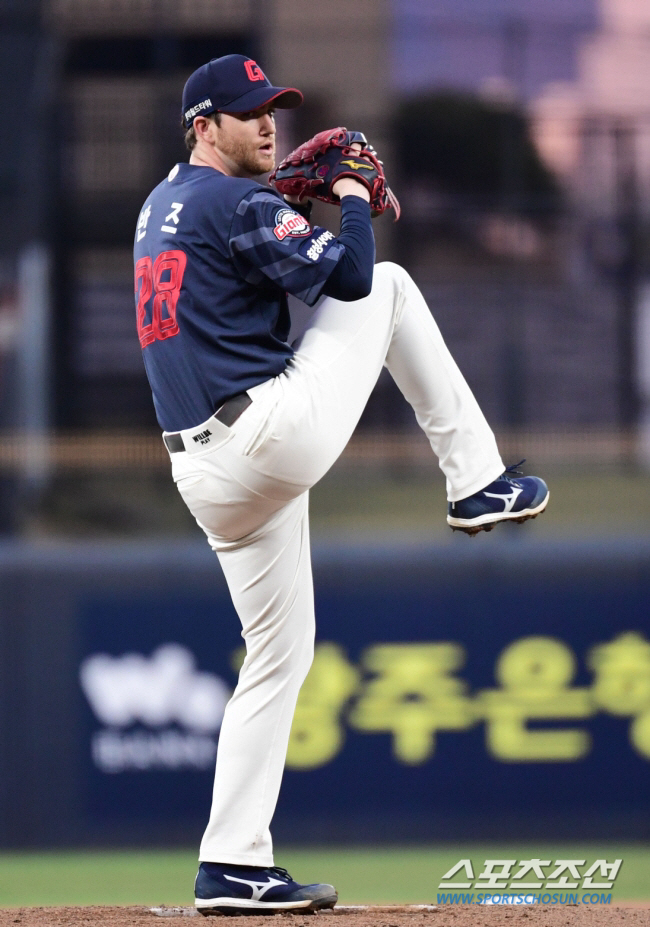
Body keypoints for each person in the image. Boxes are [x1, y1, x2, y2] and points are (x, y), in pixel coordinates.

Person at [133, 54, 548, 915]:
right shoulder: (233, 199)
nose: (268, 123)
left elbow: (240, 258)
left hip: (204, 469)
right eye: (247, 113)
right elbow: (352, 276)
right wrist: (352, 195)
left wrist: (286, 202)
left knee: (279, 654)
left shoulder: (162, 205)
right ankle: (474, 480)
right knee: (390, 284)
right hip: (261, 438)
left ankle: (232, 864)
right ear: (202, 127)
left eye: (271, 109)